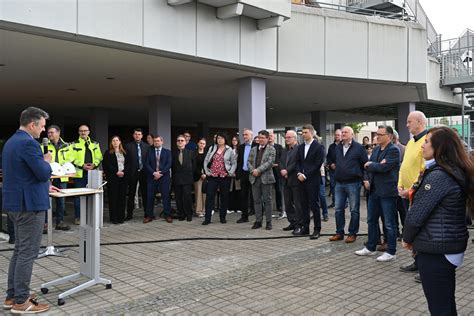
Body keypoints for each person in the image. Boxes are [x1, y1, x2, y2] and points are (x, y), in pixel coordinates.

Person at [402, 126, 473, 315]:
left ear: (439, 147)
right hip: (447, 246)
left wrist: (407, 238)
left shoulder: (439, 176)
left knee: (439, 307)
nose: (422, 146)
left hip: (437, 250)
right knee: (446, 303)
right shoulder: (450, 170)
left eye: (426, 142)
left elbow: (416, 215)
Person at [2, 106, 56, 313]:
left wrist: (44, 184)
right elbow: (42, 173)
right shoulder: (28, 144)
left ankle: (12, 296)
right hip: (29, 207)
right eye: (42, 126)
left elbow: (22, 174)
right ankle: (21, 302)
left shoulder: (11, 142)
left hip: (16, 204)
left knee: (19, 251)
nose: (43, 131)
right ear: (32, 124)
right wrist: (47, 162)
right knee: (27, 253)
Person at [355, 125, 400, 262]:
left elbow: (384, 167)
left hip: (387, 192)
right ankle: (371, 247)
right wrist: (374, 167)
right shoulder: (375, 150)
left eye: (381, 134)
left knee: (389, 223)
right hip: (374, 191)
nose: (377, 136)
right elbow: (371, 167)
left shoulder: (393, 150)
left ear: (389, 136)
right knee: (371, 220)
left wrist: (373, 165)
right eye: (377, 134)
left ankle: (391, 251)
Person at [398, 111, 428, 274]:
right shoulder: (410, 143)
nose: (407, 125)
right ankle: (417, 260)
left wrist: (411, 190)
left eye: (409, 122)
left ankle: (423, 263)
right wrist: (400, 185)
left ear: (419, 122)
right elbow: (404, 166)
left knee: (420, 228)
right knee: (410, 226)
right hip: (406, 193)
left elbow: (424, 170)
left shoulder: (427, 141)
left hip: (418, 194)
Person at [329, 126, 368, 243]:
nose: (343, 134)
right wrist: (333, 167)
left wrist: (365, 179)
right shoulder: (338, 147)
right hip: (339, 183)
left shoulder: (359, 148)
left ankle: (352, 233)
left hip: (353, 183)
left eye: (346, 132)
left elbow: (365, 165)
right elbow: (331, 159)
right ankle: (339, 232)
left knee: (354, 210)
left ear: (352, 134)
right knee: (338, 209)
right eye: (342, 132)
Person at [294, 125, 325, 239]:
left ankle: (317, 229)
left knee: (314, 205)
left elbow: (317, 164)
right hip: (301, 180)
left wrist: (305, 175)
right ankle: (305, 228)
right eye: (302, 132)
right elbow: (297, 162)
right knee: (303, 205)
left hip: (312, 180)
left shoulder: (318, 147)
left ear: (311, 133)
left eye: (305, 132)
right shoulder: (301, 147)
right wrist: (298, 173)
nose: (303, 134)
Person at [71, 124, 102, 225]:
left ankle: (92, 217)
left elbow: (99, 157)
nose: (83, 132)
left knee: (92, 196)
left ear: (89, 132)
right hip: (79, 174)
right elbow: (71, 158)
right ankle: (78, 217)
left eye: (85, 130)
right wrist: (82, 165)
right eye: (81, 131)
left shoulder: (95, 144)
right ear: (78, 132)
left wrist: (94, 164)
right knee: (78, 197)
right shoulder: (73, 144)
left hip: (92, 173)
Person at [202, 133, 236, 225]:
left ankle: (222, 217)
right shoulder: (212, 148)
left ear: (225, 139)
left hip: (224, 177)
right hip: (213, 176)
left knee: (224, 197)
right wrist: (207, 171)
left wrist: (230, 172)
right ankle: (207, 218)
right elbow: (206, 160)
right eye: (218, 138)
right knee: (209, 196)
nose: (219, 140)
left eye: (221, 138)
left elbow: (234, 163)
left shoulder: (229, 150)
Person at [248, 130, 276, 230]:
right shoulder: (253, 149)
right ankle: (258, 221)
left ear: (268, 139)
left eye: (263, 138)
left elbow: (270, 162)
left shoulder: (271, 149)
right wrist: (253, 171)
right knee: (256, 200)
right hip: (254, 178)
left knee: (267, 200)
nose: (260, 139)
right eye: (259, 137)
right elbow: (249, 162)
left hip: (266, 178)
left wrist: (258, 170)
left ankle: (269, 222)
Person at [46, 125, 72, 231]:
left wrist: (62, 166)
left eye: (52, 132)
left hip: (62, 176)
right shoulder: (44, 145)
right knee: (47, 201)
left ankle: (59, 223)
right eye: (48, 133)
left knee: (61, 201)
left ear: (58, 133)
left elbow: (71, 158)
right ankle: (45, 224)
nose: (49, 134)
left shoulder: (67, 145)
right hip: (49, 177)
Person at [144, 135, 173, 224]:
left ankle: (168, 215)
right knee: (150, 197)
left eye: (158, 141)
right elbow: (146, 164)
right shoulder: (149, 152)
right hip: (151, 177)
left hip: (164, 178)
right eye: (155, 141)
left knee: (166, 197)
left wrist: (160, 173)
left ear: (162, 142)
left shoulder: (167, 152)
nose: (156, 142)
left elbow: (169, 164)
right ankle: (149, 216)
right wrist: (154, 173)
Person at [102, 136, 131, 224]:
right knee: (113, 198)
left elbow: (129, 164)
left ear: (120, 142)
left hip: (123, 178)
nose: (115, 142)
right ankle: (114, 218)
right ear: (111, 143)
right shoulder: (108, 153)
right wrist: (116, 172)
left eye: (117, 140)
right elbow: (106, 165)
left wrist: (124, 172)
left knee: (122, 198)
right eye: (113, 141)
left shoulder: (125, 152)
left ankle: (121, 217)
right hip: (113, 178)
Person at [125, 128, 149, 221]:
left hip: (144, 173)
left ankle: (147, 213)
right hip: (132, 173)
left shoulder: (147, 147)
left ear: (142, 136)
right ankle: (129, 214)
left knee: (145, 194)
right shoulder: (128, 146)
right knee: (131, 194)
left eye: (139, 134)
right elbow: (126, 162)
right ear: (133, 135)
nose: (137, 136)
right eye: (136, 134)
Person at [279, 130, 300, 232]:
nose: (286, 139)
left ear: (294, 138)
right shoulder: (285, 150)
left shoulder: (299, 149)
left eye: (289, 137)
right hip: (285, 180)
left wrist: (287, 171)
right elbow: (281, 161)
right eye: (286, 137)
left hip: (295, 180)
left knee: (297, 203)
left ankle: (298, 225)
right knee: (288, 203)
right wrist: (283, 170)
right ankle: (292, 222)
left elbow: (297, 163)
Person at [172, 135, 196, 221]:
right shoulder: (173, 153)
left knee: (187, 197)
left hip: (187, 179)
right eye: (178, 141)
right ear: (176, 142)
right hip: (177, 179)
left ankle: (189, 214)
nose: (180, 142)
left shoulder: (191, 153)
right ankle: (181, 214)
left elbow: (194, 166)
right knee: (178, 198)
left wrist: (189, 174)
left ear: (185, 142)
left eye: (182, 141)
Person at [236, 129, 256, 223]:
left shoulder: (256, 146)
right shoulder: (241, 147)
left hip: (254, 173)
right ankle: (244, 216)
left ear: (251, 136)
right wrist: (238, 174)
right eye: (243, 135)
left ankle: (257, 216)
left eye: (246, 135)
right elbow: (239, 161)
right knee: (243, 195)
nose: (244, 137)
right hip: (244, 173)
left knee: (255, 195)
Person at [269, 130, 284, 218]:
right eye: (269, 136)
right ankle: (269, 209)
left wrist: (277, 165)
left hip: (277, 171)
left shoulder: (279, 147)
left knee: (279, 189)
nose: (270, 137)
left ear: (274, 137)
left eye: (271, 136)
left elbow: (282, 158)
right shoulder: (265, 147)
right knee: (269, 191)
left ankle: (280, 207)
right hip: (268, 171)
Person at [326, 129, 342, 208]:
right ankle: (334, 202)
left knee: (341, 186)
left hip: (341, 170)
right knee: (333, 186)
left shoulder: (343, 146)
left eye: (338, 135)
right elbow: (328, 156)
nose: (336, 136)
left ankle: (342, 202)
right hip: (332, 170)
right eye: (335, 135)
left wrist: (337, 164)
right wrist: (331, 163)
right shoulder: (331, 146)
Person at [193, 138, 207, 218]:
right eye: (201, 143)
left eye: (203, 144)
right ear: (198, 144)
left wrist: (205, 174)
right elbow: (194, 166)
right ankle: (198, 211)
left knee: (205, 194)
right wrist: (201, 174)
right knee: (198, 194)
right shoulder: (194, 153)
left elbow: (208, 165)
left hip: (205, 176)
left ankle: (204, 210)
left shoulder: (207, 154)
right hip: (197, 176)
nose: (202, 145)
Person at [229, 136, 241, 213]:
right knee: (231, 191)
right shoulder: (229, 150)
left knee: (238, 191)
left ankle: (238, 207)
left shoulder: (239, 150)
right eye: (233, 140)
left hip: (237, 173)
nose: (234, 141)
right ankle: (231, 208)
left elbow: (240, 162)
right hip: (230, 173)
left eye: (235, 140)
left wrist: (236, 172)